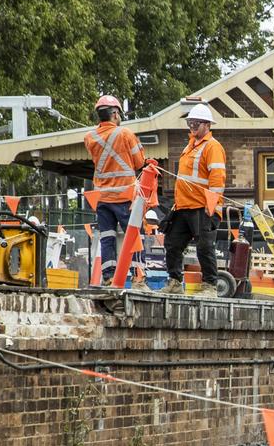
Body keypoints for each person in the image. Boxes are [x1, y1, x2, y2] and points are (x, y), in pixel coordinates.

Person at [83, 94, 149, 290]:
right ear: (114, 114)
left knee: (107, 236)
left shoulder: (90, 138)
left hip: (102, 197)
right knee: (135, 235)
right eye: (118, 113)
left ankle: (108, 277)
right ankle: (138, 278)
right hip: (124, 196)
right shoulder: (125, 134)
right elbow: (139, 162)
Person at [162, 103, 225, 297]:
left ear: (207, 125)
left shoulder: (212, 147)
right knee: (172, 243)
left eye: (195, 123)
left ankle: (210, 286)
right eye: (190, 123)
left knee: (205, 247)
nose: (192, 127)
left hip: (202, 207)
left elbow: (217, 178)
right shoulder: (190, 146)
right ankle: (174, 282)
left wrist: (211, 207)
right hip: (183, 206)